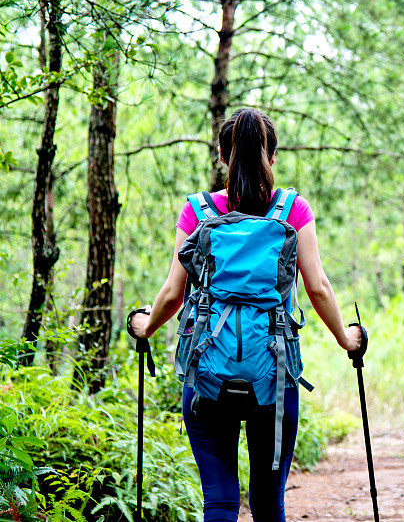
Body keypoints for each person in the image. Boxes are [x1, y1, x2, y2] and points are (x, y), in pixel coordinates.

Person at [129, 107, 362, 522]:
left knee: (219, 500)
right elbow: (317, 287)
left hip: (207, 375)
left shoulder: (199, 212)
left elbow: (172, 293)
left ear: (221, 155)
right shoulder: (292, 209)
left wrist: (145, 325)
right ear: (271, 157)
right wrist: (347, 338)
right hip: (272, 375)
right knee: (269, 503)